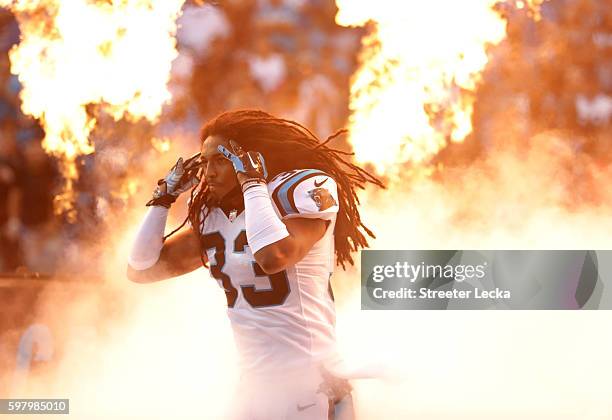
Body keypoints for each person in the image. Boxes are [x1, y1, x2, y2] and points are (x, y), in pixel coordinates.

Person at [127, 110, 383, 419]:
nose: (208, 173)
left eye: (221, 160)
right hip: (253, 387)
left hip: (311, 385)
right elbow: (141, 269)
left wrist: (252, 184)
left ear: (253, 159)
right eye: (205, 161)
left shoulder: (300, 190)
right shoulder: (215, 214)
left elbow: (273, 256)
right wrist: (162, 200)